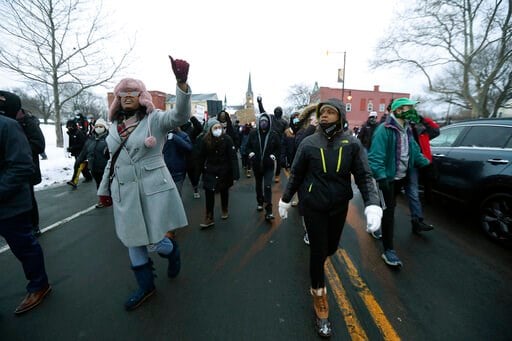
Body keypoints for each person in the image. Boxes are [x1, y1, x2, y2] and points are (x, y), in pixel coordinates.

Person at [278, 99, 382, 338]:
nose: (323, 116)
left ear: (340, 118)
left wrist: (373, 204)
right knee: (317, 251)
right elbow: (296, 175)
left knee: (331, 248)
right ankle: (319, 298)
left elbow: (365, 176)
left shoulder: (352, 144)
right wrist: (285, 199)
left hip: (338, 207)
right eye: (321, 112)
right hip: (313, 206)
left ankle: (318, 270)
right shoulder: (308, 143)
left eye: (329, 112)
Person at [96, 55, 191, 311]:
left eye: (133, 91)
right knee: (132, 241)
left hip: (153, 190)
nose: (127, 96)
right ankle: (146, 287)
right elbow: (112, 162)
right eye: (122, 92)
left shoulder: (155, 119)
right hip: (124, 193)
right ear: (117, 98)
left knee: (157, 242)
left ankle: (172, 252)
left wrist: (181, 84)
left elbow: (180, 115)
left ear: (142, 95)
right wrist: (104, 190)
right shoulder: (113, 127)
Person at [0, 108, 52, 315]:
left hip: (10, 205)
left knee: (25, 247)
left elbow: (22, 166)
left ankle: (39, 285)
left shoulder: (7, 126)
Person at [367, 97, 430, 268]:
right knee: (389, 213)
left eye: (412, 108)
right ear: (397, 110)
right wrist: (381, 177)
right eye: (407, 108)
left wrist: (427, 164)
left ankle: (375, 222)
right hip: (387, 179)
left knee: (385, 206)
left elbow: (414, 151)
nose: (411, 111)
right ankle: (388, 250)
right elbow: (375, 158)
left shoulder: (407, 129)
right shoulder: (384, 130)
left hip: (401, 177)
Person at [0, 91, 46, 237]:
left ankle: (34, 225)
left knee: (28, 198)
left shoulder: (28, 122)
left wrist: (19, 148)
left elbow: (39, 144)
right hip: (8, 172)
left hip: (25, 168)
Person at [197, 117, 239, 228]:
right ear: (210, 129)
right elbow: (201, 157)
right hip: (210, 171)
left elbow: (233, 157)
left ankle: (224, 208)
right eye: (215, 128)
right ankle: (209, 217)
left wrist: (235, 174)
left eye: (219, 127)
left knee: (224, 190)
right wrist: (198, 172)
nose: (218, 130)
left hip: (224, 171)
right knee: (209, 193)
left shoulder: (227, 139)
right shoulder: (205, 140)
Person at [404, 111, 439, 231]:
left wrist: (423, 119)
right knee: (411, 191)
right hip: (410, 163)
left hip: (423, 162)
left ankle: (417, 221)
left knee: (417, 191)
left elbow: (436, 130)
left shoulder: (422, 128)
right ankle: (382, 221)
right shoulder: (404, 128)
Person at [246, 108, 281, 221]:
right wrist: (250, 153)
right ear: (258, 122)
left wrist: (274, 155)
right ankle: (260, 202)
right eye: (262, 121)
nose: (263, 123)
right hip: (257, 164)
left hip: (268, 165)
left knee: (267, 185)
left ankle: (269, 211)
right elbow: (247, 147)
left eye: (266, 121)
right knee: (258, 185)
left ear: (269, 123)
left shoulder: (273, 135)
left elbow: (278, 148)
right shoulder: (253, 134)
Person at [75, 118, 110, 207]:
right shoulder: (90, 140)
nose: (98, 128)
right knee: (99, 184)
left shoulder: (109, 139)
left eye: (101, 126)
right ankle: (102, 200)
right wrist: (78, 161)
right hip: (94, 167)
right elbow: (84, 152)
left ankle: (112, 198)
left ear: (105, 127)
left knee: (107, 184)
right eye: (97, 126)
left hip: (106, 167)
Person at [162, 126, 193, 196]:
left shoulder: (182, 135)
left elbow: (189, 148)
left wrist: (175, 138)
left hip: (177, 172)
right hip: (163, 171)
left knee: (176, 195)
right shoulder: (161, 135)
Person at [181, 116, 203, 198]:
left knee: (193, 176)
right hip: (179, 157)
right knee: (178, 179)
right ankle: (177, 194)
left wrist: (191, 117)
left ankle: (195, 189)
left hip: (190, 158)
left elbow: (199, 128)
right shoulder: (176, 129)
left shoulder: (191, 130)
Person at [66, 119, 92, 188]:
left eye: (70, 126)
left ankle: (74, 181)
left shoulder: (78, 133)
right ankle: (88, 177)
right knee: (82, 167)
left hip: (82, 153)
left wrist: (72, 148)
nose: (69, 128)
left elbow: (83, 144)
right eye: (68, 126)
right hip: (77, 153)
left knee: (77, 166)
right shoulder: (71, 133)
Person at [270, 105, 288, 183]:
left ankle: (277, 175)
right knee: (270, 159)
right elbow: (262, 111)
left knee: (278, 160)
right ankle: (273, 174)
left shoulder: (284, 122)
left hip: (279, 143)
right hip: (271, 142)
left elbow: (287, 132)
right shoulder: (271, 118)